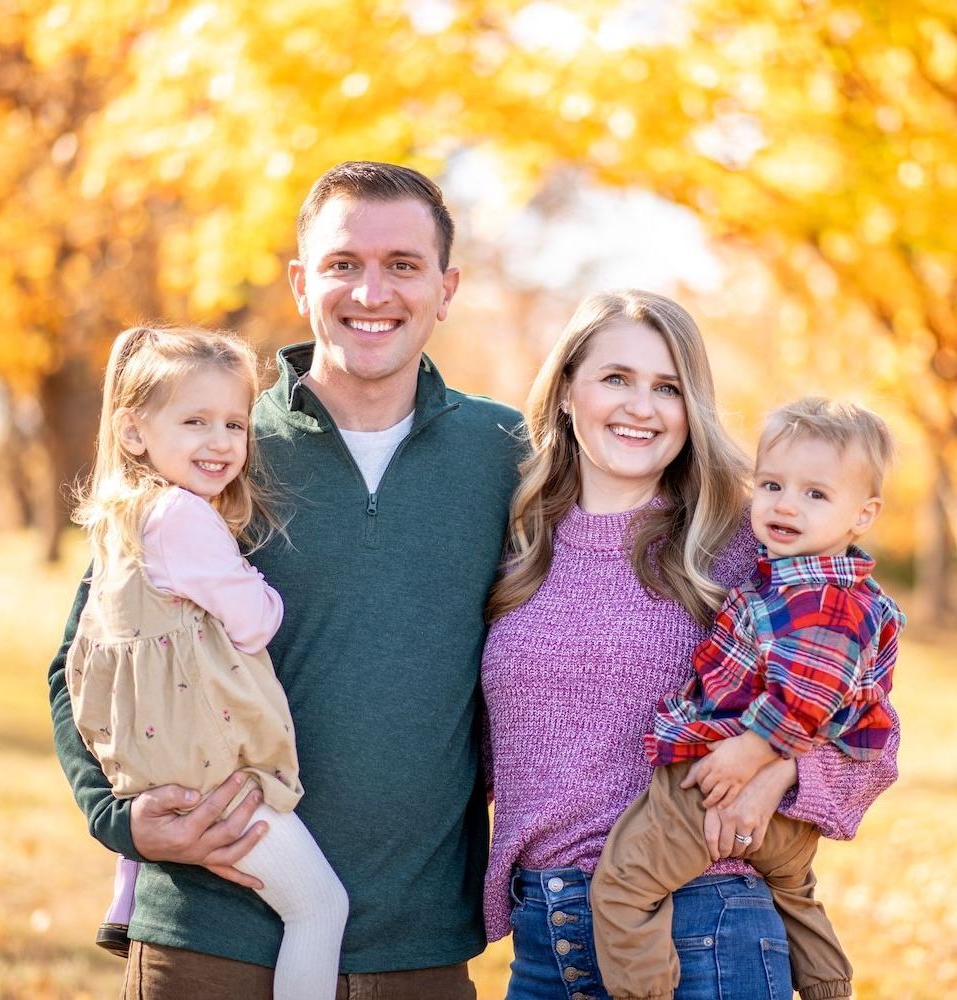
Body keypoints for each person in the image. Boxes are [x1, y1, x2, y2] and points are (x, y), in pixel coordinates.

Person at [48, 162, 523, 999]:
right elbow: (82, 661)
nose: (370, 291)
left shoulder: (504, 452)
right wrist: (120, 818)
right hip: (210, 926)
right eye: (343, 263)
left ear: (445, 288)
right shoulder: (210, 441)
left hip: (417, 941)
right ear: (303, 282)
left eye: (403, 265)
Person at [481, 291, 900, 1000]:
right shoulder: (517, 543)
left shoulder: (746, 541)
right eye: (616, 378)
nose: (641, 407)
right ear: (565, 393)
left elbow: (869, 735)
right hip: (544, 940)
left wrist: (778, 775)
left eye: (668, 388)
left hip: (702, 926)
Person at [65, 324, 349, 999]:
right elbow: (253, 623)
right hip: (215, 775)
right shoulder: (184, 518)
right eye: (195, 421)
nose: (221, 442)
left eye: (233, 423)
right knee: (318, 907)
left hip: (155, 761)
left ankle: (126, 895)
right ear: (134, 432)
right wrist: (266, 588)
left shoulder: (122, 521)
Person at [591, 397, 905, 1000]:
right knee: (794, 893)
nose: (786, 504)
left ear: (863, 514)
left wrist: (753, 752)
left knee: (624, 885)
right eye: (771, 484)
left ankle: (643, 992)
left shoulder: (824, 600)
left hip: (718, 783)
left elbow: (809, 694)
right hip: (786, 821)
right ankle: (827, 985)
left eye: (816, 494)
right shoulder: (783, 578)